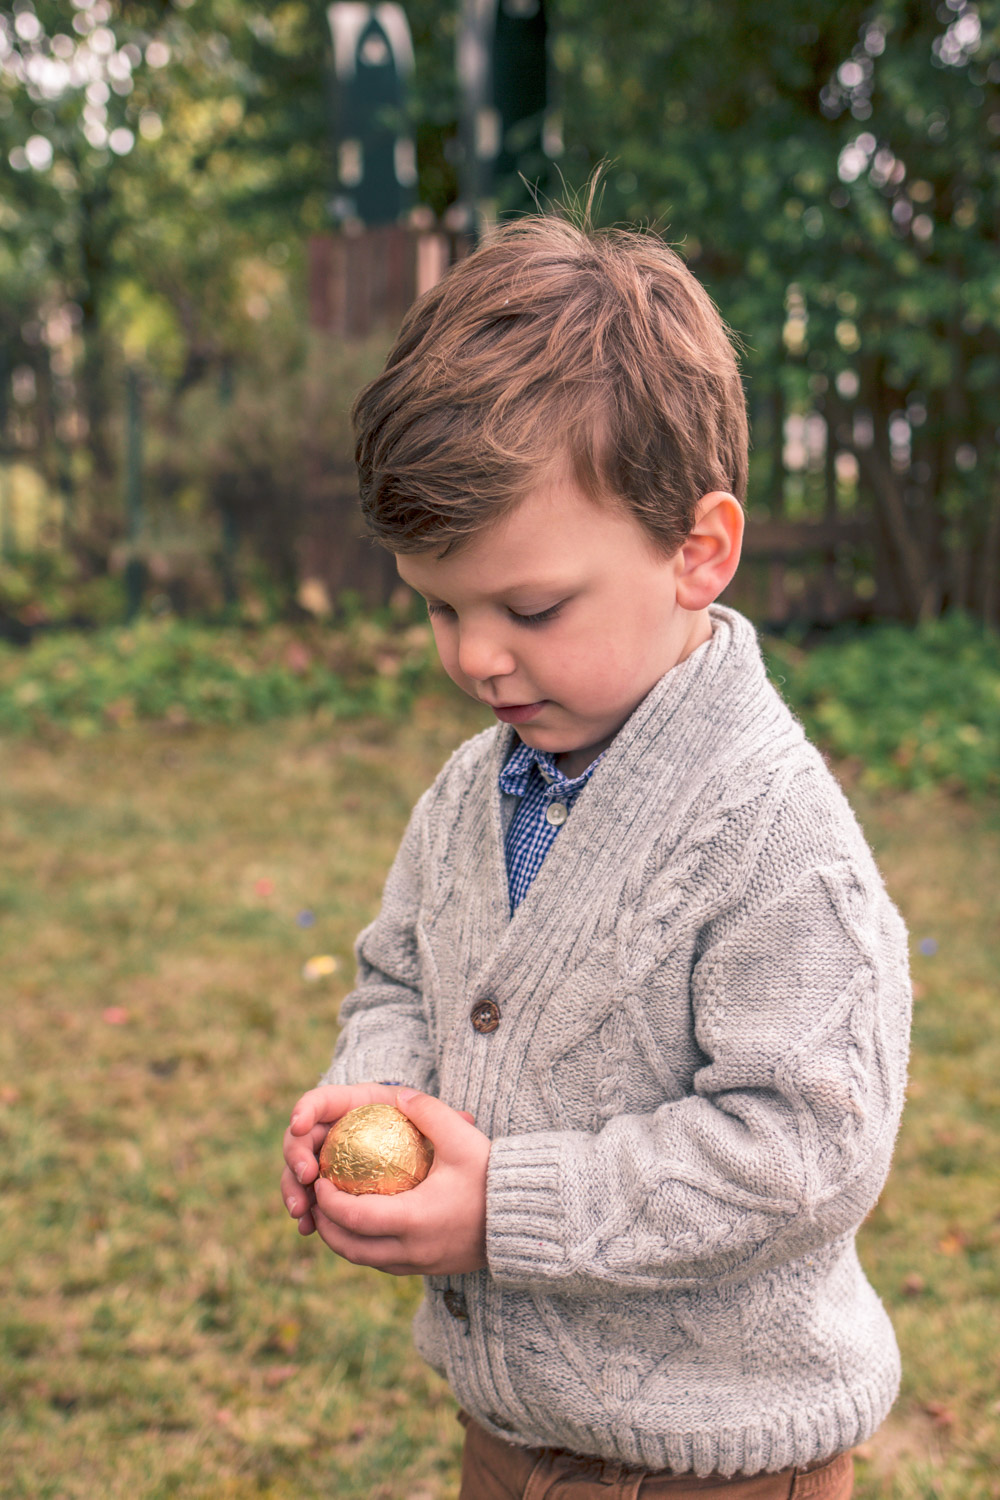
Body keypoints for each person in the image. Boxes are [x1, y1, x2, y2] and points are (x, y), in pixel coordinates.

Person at [280, 210, 911, 1499]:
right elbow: (400, 975)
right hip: (508, 1432)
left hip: (716, 1463)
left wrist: (503, 1203)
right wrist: (376, 1092)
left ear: (698, 552)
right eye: (439, 607)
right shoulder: (471, 794)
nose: (475, 658)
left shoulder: (776, 842)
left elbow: (801, 1152)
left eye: (528, 608)